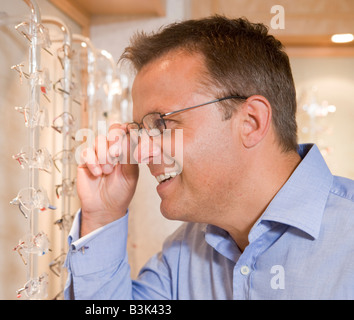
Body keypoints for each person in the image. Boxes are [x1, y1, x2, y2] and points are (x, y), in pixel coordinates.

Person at [63, 15, 354, 299]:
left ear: (250, 121)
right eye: (141, 130)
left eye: (161, 124)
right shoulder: (185, 251)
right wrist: (102, 217)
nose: (140, 152)